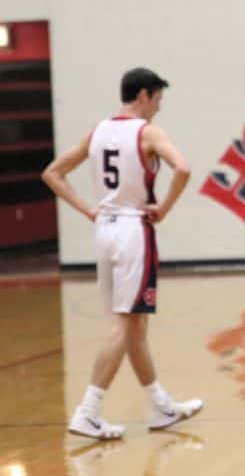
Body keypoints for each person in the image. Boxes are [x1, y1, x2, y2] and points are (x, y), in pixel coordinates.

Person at [42, 67, 203, 440]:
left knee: (135, 326)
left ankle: (160, 405)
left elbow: (52, 173)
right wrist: (165, 207)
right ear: (144, 94)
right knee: (124, 325)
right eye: (158, 98)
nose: (159, 107)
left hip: (105, 231)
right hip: (133, 230)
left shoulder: (97, 132)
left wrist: (88, 210)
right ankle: (88, 411)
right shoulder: (148, 132)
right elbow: (183, 168)